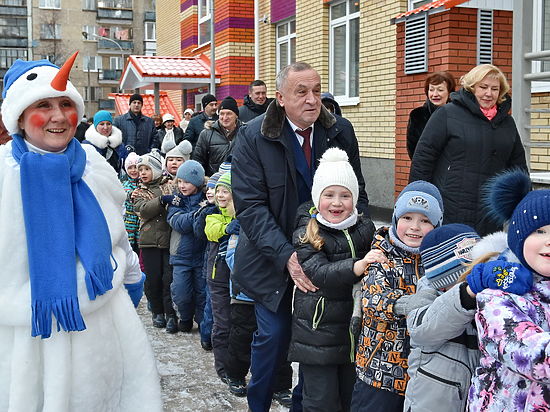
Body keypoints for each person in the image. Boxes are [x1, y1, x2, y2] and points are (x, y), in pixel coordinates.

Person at [0, 54, 161, 409]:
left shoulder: (93, 166)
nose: (58, 116)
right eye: (43, 105)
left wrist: (131, 281)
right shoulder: (4, 177)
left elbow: (118, 239)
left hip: (101, 333)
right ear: (20, 118)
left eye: (65, 104)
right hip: (26, 342)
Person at [231, 61, 369, 412]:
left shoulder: (339, 130)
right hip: (271, 257)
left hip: (327, 257)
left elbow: (358, 193)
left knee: (320, 344)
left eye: (316, 91)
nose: (312, 100)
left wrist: (356, 240)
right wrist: (288, 258)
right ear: (279, 98)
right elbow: (250, 208)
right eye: (301, 92)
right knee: (274, 339)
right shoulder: (253, 136)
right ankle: (258, 403)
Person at [289, 148, 375, 411]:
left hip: (352, 333)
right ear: (317, 198)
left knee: (350, 399)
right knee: (320, 401)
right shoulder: (308, 232)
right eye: (329, 195)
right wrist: (358, 266)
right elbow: (320, 273)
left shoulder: (365, 227)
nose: (337, 203)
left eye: (345, 196)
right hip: (318, 333)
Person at [460, 169, 550, 411]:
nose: (549, 240)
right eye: (539, 231)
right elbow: (531, 355)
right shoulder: (496, 295)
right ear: (518, 238)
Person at [351, 181, 443, 412]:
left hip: (423, 374)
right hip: (380, 370)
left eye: (425, 221)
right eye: (407, 218)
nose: (415, 227)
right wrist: (406, 303)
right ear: (395, 219)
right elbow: (372, 300)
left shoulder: (441, 262)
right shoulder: (381, 255)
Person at [409, 64, 527, 236]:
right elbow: (424, 159)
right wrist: (417, 202)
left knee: (485, 258)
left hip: (490, 210)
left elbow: (518, 166)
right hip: (451, 206)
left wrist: (524, 201)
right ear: (472, 88)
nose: (489, 93)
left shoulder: (507, 123)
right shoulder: (447, 114)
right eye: (483, 87)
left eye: (495, 89)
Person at [132, 151, 179, 333]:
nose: (142, 173)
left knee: (168, 279)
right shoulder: (139, 192)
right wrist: (161, 200)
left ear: (157, 169)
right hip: (149, 242)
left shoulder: (170, 185)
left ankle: (170, 314)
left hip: (168, 240)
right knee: (153, 279)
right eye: (140, 169)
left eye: (147, 169)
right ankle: (157, 311)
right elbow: (142, 210)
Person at [163, 160, 207, 333]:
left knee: (202, 292)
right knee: (181, 292)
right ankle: (185, 316)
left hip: (202, 255)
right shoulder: (176, 201)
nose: (182, 185)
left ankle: (204, 323)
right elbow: (178, 223)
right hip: (180, 255)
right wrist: (197, 215)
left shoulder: (206, 200)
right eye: (180, 181)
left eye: (187, 182)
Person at [406, 71, 456, 159]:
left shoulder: (459, 114)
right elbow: (413, 149)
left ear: (449, 92)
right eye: (431, 90)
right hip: (427, 169)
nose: (435, 94)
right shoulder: (417, 115)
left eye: (440, 90)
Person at [193, 96, 243, 176]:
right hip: (213, 182)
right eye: (222, 114)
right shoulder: (206, 134)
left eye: (229, 114)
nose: (225, 117)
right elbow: (198, 161)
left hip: (239, 182)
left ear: (236, 115)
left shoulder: (245, 133)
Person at [82, 109, 127, 174]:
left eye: (108, 124)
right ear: (95, 126)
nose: (105, 127)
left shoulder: (120, 145)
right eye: (102, 124)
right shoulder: (87, 146)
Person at [121, 152, 141, 254]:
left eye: (136, 167)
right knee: (129, 246)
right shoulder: (124, 183)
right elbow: (123, 194)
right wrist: (130, 195)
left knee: (140, 245)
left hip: (141, 219)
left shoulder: (143, 183)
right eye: (130, 168)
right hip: (128, 219)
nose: (133, 170)